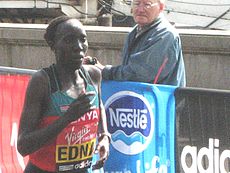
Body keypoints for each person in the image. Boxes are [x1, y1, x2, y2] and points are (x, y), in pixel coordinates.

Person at [17, 16, 110, 173]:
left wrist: (104, 136)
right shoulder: (42, 82)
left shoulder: (94, 75)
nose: (78, 47)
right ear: (53, 45)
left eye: (83, 39)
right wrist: (67, 118)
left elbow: (99, 106)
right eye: (69, 40)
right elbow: (23, 146)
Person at [85, 0, 186, 86]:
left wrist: (104, 71)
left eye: (147, 4)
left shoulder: (165, 35)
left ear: (161, 7)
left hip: (161, 105)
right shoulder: (135, 32)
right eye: (137, 3)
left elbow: (139, 74)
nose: (140, 9)